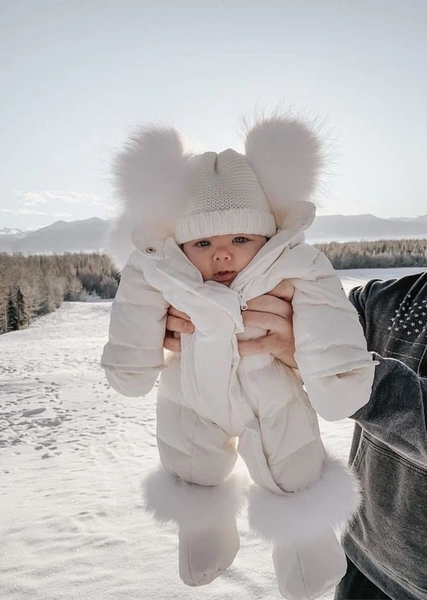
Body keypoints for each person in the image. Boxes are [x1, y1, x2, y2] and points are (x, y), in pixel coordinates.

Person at [101, 115, 376, 600]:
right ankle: (203, 534)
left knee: (294, 471)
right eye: (204, 243)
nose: (222, 256)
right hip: (190, 395)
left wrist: (339, 375)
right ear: (183, 244)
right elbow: (135, 304)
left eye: (240, 240)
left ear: (266, 239)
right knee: (189, 464)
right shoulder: (162, 270)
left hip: (272, 394)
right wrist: (131, 361)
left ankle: (307, 552)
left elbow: (328, 316)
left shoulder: (294, 265)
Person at [167, 272, 427, 600]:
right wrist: (209, 311)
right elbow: (314, 317)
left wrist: (322, 362)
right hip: (363, 557)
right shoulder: (386, 299)